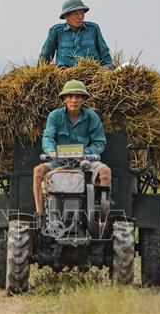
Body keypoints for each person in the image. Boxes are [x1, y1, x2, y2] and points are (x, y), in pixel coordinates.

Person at [33, 80, 111, 217]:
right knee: (38, 171)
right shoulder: (55, 116)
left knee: (105, 172)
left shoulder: (91, 117)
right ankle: (40, 215)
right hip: (60, 161)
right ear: (64, 99)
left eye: (78, 97)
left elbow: (99, 142)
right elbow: (48, 137)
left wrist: (85, 154)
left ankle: (101, 216)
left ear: (83, 100)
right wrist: (51, 151)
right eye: (70, 96)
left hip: (84, 161)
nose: (74, 100)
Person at [39, 0, 115, 69]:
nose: (80, 17)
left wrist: (108, 66)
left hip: (92, 73)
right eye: (76, 14)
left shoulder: (93, 29)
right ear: (66, 16)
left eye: (82, 13)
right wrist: (40, 73)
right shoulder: (57, 31)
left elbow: (104, 53)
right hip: (65, 75)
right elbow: (45, 55)